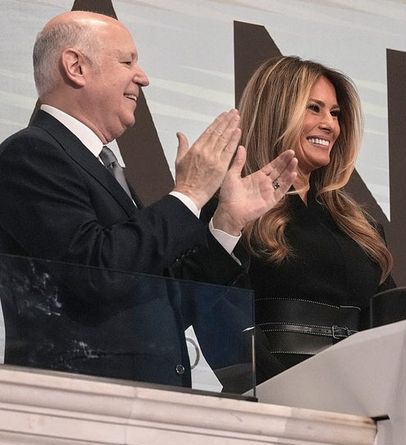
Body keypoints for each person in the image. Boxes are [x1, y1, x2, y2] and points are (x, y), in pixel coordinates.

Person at [0, 11, 297, 386]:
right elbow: (96, 271)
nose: (143, 77)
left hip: (141, 405)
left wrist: (226, 223)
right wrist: (188, 194)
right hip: (82, 403)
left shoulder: (101, 166)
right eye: (128, 62)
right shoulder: (31, 154)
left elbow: (162, 298)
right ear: (76, 67)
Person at [184, 56, 396, 383]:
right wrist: (284, 392)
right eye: (314, 108)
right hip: (274, 405)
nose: (330, 124)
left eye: (335, 113)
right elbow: (222, 323)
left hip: (360, 401)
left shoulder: (362, 228)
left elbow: (392, 327)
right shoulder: (229, 212)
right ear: (277, 113)